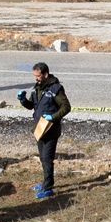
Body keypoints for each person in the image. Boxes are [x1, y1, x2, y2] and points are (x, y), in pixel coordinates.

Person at [17, 62, 71, 200]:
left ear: (45, 74)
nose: (36, 78)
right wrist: (23, 100)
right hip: (39, 129)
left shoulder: (56, 88)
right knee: (43, 158)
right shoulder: (37, 88)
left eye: (38, 76)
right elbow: (31, 106)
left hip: (51, 129)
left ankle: (48, 188)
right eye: (34, 76)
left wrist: (53, 117)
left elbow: (66, 107)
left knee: (47, 159)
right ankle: (45, 182)